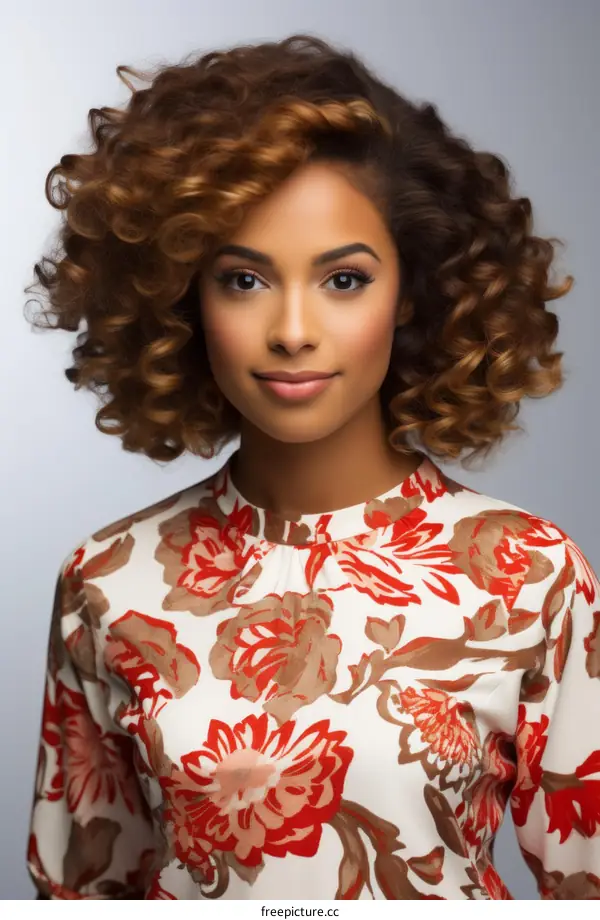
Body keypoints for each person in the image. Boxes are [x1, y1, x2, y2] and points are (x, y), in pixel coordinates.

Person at [23, 33, 600, 901]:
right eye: (244, 280)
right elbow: (81, 895)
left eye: (343, 280)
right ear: (181, 296)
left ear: (410, 293)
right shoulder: (107, 582)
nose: (293, 331)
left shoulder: (531, 576)